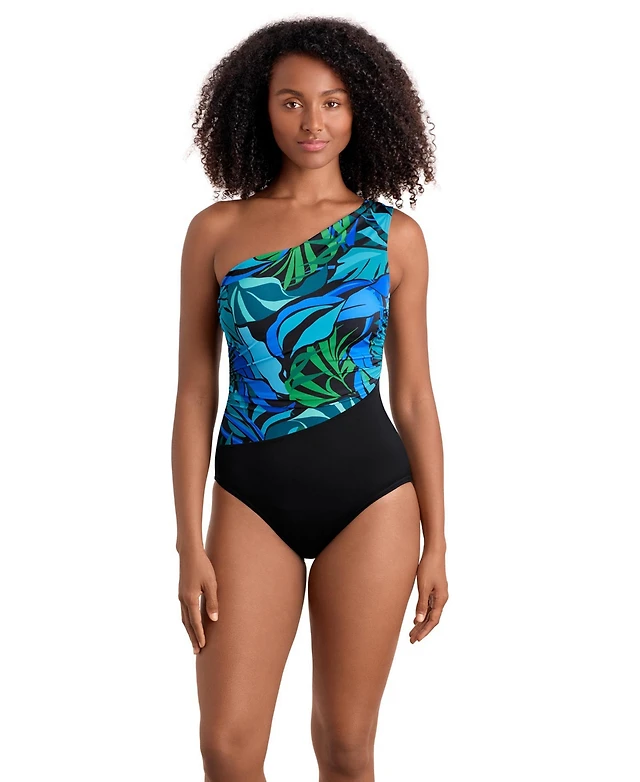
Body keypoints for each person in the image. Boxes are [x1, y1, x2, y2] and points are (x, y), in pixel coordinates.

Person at [171, 16, 447, 782]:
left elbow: (415, 396)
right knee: (227, 749)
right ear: (259, 108)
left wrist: (439, 541)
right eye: (290, 101)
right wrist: (188, 539)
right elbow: (194, 392)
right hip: (248, 499)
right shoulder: (216, 230)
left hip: (373, 501)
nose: (312, 121)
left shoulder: (393, 237)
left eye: (332, 102)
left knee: (346, 746)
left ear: (362, 110)